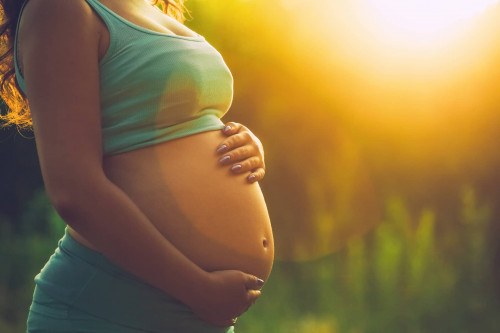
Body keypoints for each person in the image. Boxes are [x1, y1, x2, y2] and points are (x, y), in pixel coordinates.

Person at [0, 0, 274, 331]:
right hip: (109, 310)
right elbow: (74, 191)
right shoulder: (60, 9)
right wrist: (198, 290)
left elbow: (173, 118)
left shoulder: (145, 5)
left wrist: (244, 142)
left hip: (194, 313)